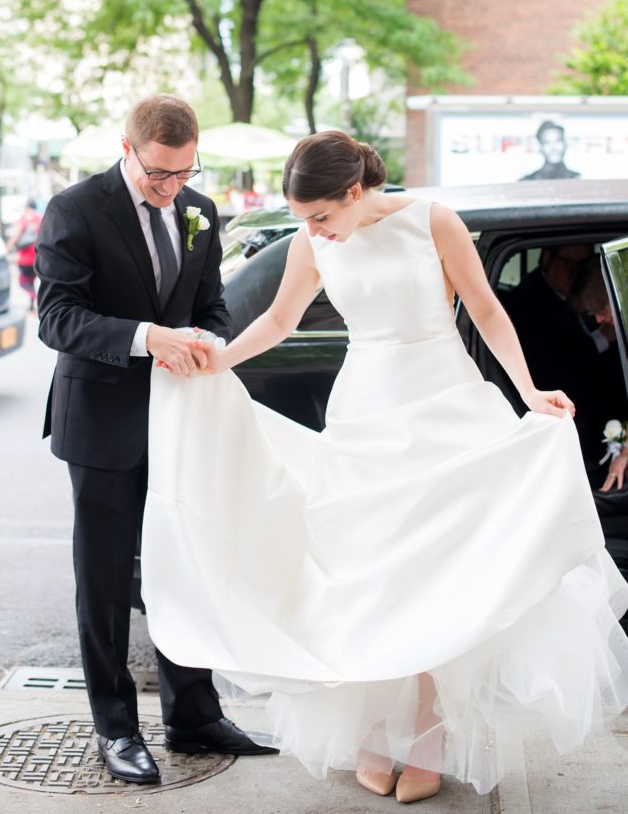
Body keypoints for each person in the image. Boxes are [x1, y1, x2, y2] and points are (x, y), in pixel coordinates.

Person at [141, 130, 628, 802]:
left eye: (319, 216)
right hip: (364, 422)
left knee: (437, 583)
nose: (312, 231)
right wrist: (213, 362)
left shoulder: (433, 221)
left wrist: (525, 390)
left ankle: (426, 744)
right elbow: (280, 320)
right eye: (302, 220)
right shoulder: (314, 241)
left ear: (353, 191)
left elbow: (484, 308)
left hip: (444, 412)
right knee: (367, 584)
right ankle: (373, 739)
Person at [35, 95, 273, 787]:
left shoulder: (200, 209)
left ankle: (194, 717)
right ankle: (116, 729)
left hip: (182, 422)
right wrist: (146, 339)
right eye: (157, 175)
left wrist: (208, 341)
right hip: (102, 423)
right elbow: (57, 318)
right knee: (106, 583)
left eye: (181, 173)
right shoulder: (74, 210)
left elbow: (212, 306)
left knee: (182, 566)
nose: (169, 188)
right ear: (127, 147)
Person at [504, 244, 620, 478]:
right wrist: (604, 337)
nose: (577, 272)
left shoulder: (570, 295)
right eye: (570, 264)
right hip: (563, 418)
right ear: (546, 258)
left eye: (583, 265)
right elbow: (556, 365)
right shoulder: (528, 302)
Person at [7, 199, 43, 311]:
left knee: (23, 282)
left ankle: (37, 299)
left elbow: (16, 236)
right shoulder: (40, 218)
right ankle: (31, 306)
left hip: (25, 258)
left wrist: (7, 247)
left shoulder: (23, 218)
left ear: (26, 207)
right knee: (31, 281)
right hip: (38, 257)